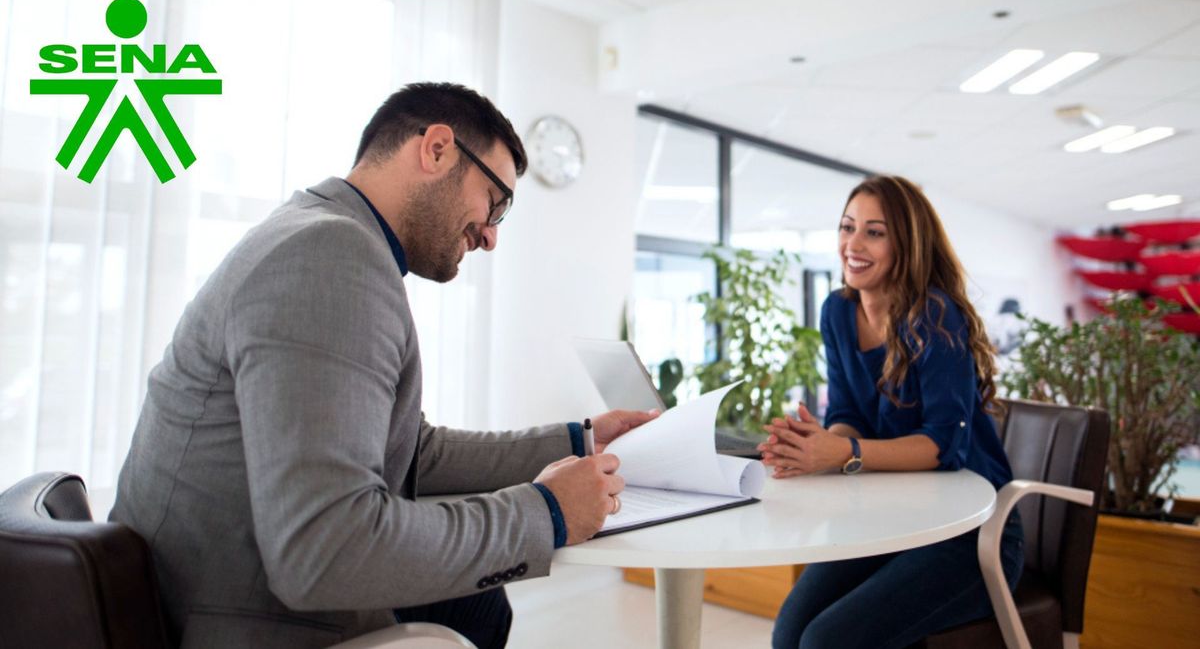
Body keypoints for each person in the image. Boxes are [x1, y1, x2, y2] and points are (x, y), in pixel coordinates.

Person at [109, 82, 655, 649]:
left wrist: (579, 441)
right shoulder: (328, 257)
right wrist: (546, 512)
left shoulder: (319, 233)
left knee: (478, 604)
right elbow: (324, 548)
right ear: (436, 149)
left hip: (207, 589)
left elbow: (413, 450)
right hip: (238, 619)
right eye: (495, 202)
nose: (491, 236)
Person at [759, 175, 1023, 649]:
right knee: (789, 631)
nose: (852, 244)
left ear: (907, 244)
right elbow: (847, 412)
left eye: (874, 232)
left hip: (971, 533)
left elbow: (944, 445)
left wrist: (841, 452)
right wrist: (817, 446)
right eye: (847, 226)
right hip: (893, 519)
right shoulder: (837, 311)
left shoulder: (935, 316)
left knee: (826, 641)